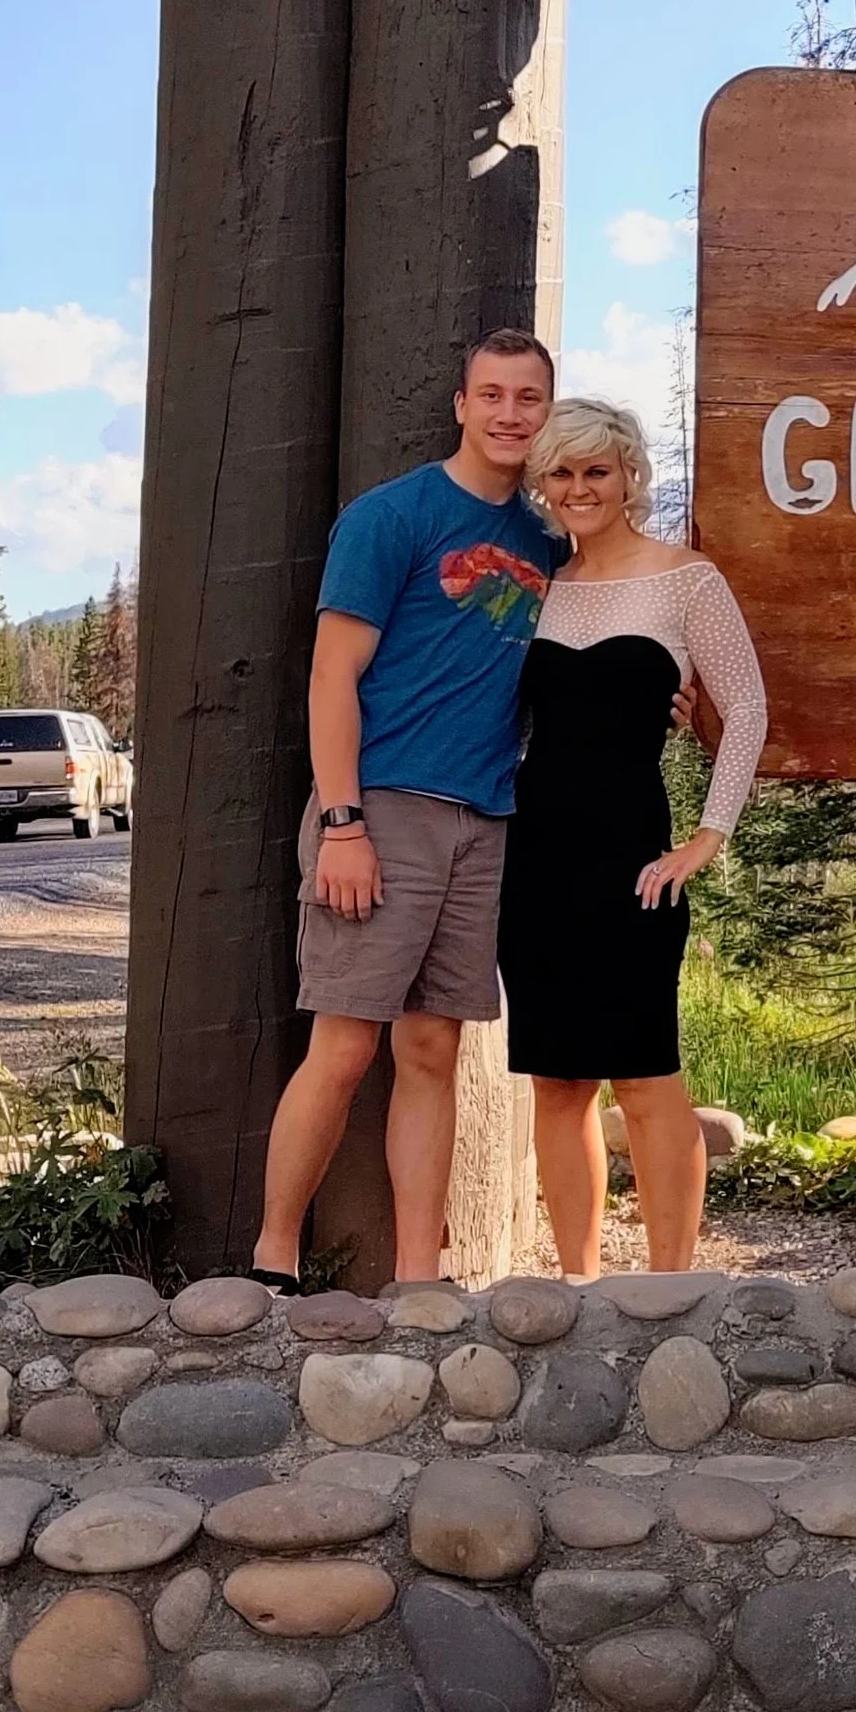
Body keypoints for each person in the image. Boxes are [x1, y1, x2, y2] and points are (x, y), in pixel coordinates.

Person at [252, 330, 566, 1289]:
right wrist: (342, 823)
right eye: (493, 394)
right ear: (461, 405)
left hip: (486, 819)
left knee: (433, 1047)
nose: (511, 413)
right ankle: (271, 1258)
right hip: (383, 807)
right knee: (344, 1044)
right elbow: (330, 675)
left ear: (547, 414)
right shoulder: (393, 517)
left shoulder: (553, 545)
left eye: (530, 398)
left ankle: (419, 1278)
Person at [504, 397, 765, 1277]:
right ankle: (578, 1283)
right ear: (543, 484)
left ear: (627, 476)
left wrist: (708, 836)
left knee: (646, 1075)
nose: (579, 488)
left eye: (595, 471)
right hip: (535, 857)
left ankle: (672, 1284)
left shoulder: (687, 579)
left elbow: (751, 708)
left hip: (636, 857)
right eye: (562, 472)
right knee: (558, 1080)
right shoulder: (538, 584)